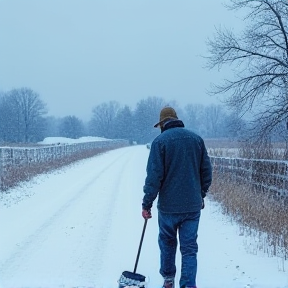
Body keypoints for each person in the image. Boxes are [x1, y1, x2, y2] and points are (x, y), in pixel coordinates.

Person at [142, 106, 212, 288]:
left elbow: (154, 177)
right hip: (192, 206)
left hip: (168, 207)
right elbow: (206, 172)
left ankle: (168, 279)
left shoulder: (160, 142)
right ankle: (188, 284)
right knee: (189, 248)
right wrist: (200, 194)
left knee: (167, 242)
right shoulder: (196, 139)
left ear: (163, 123)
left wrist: (147, 203)